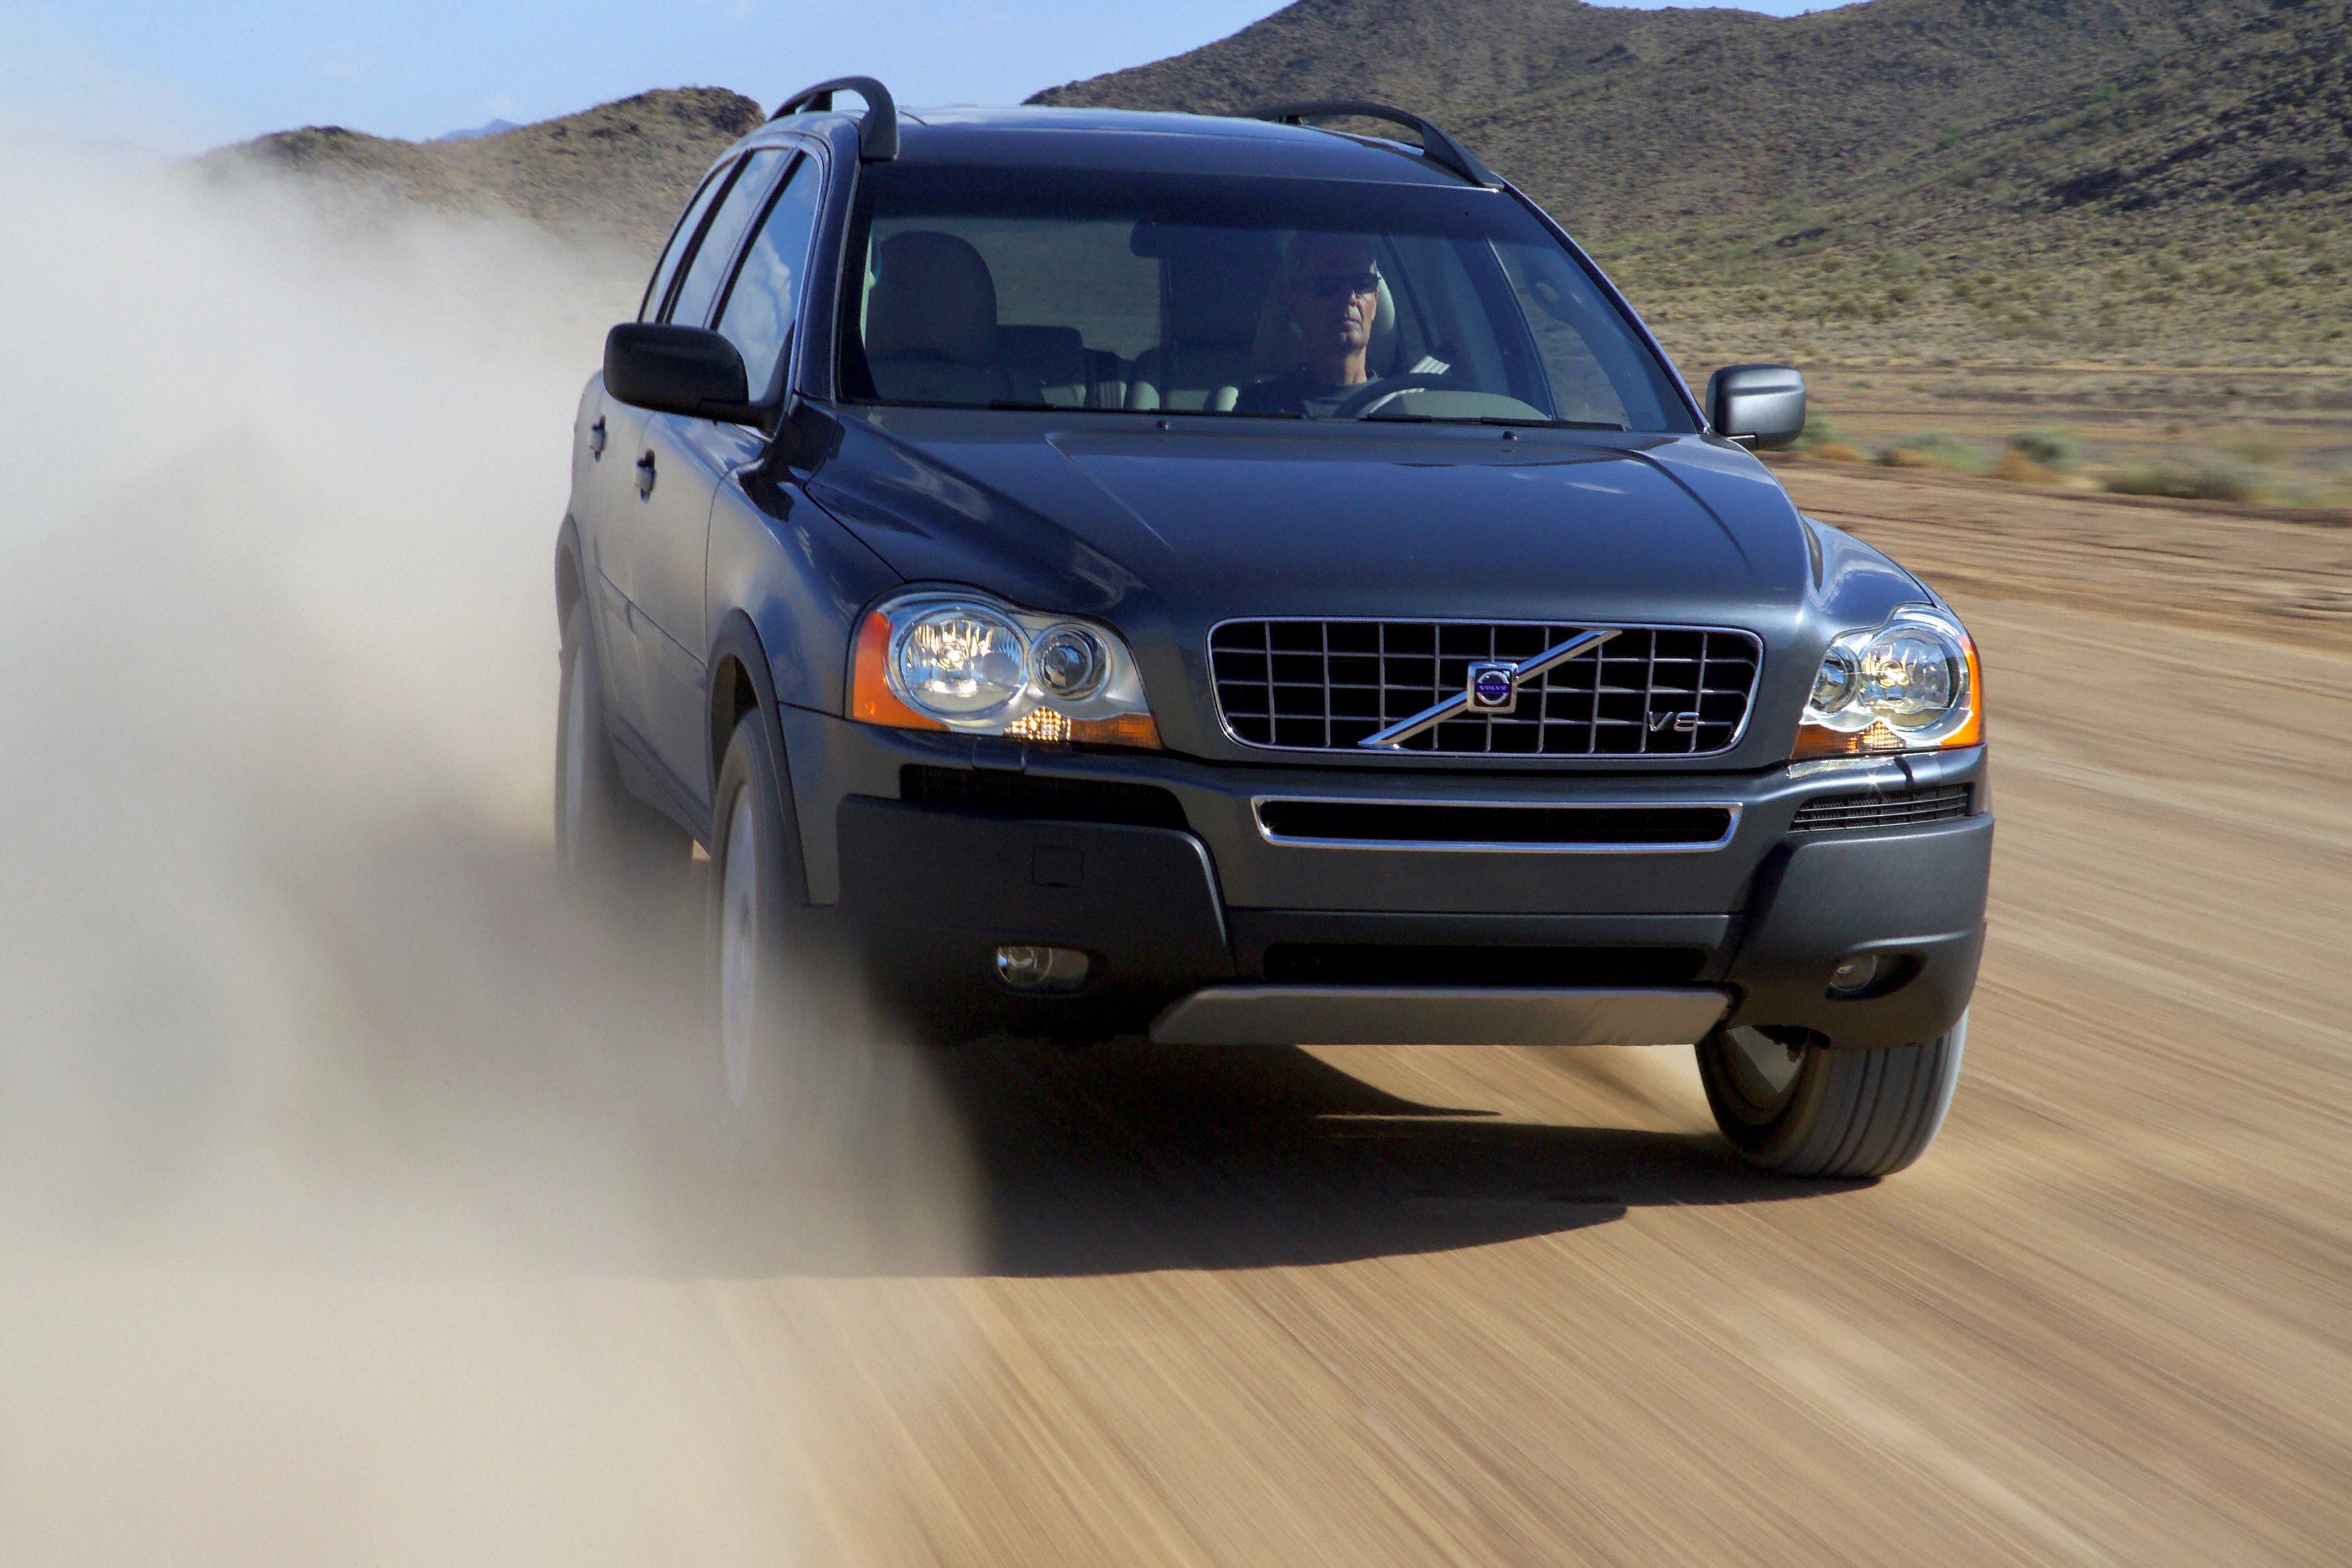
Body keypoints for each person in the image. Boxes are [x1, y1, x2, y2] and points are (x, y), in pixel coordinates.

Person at [1235, 234, 1387, 417]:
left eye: (1362, 283)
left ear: (1376, 302)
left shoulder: (1403, 405)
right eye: (1327, 285)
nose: (1349, 297)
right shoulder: (1260, 408)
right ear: (1294, 306)